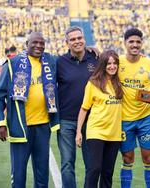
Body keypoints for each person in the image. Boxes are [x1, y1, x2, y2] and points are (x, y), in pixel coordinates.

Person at [0, 32, 60, 188]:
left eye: (42, 43)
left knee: (42, 175)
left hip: (43, 127)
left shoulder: (50, 61)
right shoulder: (12, 64)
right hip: (21, 128)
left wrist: (89, 50)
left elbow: (70, 59)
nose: (39, 46)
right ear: (27, 43)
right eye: (35, 42)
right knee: (19, 174)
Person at [118, 28, 150, 188]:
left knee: (149, 159)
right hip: (124, 119)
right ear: (125, 43)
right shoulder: (117, 62)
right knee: (127, 159)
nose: (135, 45)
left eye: (138, 42)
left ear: (141, 43)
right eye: (131, 42)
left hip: (146, 119)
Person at [56, 26, 98, 188]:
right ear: (67, 43)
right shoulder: (59, 62)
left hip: (92, 120)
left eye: (79, 38)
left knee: (92, 165)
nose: (77, 41)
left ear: (84, 39)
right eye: (72, 39)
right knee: (67, 164)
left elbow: (114, 63)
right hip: (66, 121)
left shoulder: (96, 58)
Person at [76, 50, 123, 188]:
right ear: (102, 65)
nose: (112, 66)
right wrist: (79, 132)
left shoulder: (119, 83)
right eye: (108, 63)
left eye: (115, 63)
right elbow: (84, 109)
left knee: (108, 172)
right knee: (94, 168)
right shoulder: (93, 83)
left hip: (114, 134)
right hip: (96, 131)